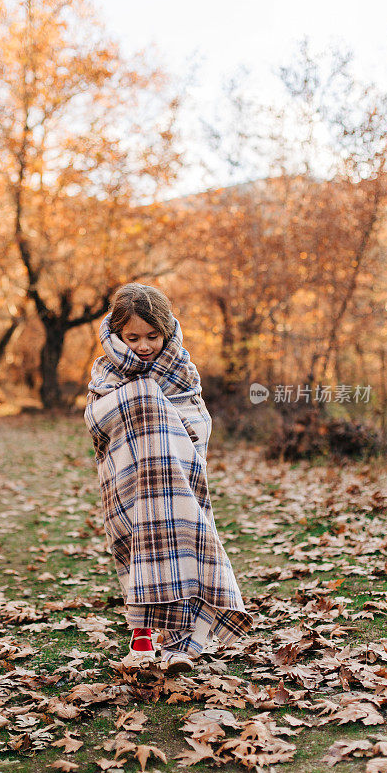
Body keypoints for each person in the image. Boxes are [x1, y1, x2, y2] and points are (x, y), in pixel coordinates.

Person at [84, 283, 252, 674]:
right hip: (131, 478)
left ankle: (180, 640)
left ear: (166, 330)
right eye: (132, 338)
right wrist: (142, 403)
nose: (143, 346)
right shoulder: (107, 372)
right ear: (116, 335)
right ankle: (142, 638)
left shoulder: (181, 370)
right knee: (140, 546)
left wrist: (163, 425)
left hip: (177, 480)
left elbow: (197, 420)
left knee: (183, 546)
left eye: (152, 336)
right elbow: (97, 419)